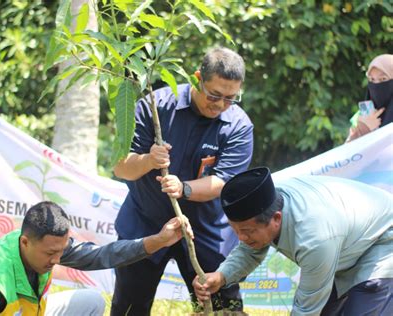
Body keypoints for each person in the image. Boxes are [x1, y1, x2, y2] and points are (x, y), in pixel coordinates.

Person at [111, 47, 254, 315]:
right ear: (197, 77)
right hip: (146, 223)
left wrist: (183, 188)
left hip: (207, 231)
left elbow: (223, 182)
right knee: (129, 308)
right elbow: (121, 167)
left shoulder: (239, 126)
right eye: (214, 95)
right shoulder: (155, 107)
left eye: (230, 98)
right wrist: (148, 161)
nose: (220, 104)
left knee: (223, 307)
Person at [193, 167, 393, 315]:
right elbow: (249, 249)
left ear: (276, 219)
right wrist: (221, 276)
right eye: (235, 230)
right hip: (344, 244)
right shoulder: (265, 200)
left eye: (246, 231)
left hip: (382, 241)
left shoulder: (313, 237)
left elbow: (306, 309)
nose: (241, 238)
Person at [0, 201, 193, 315]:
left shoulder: (43, 244)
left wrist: (159, 240)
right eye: (50, 253)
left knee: (92, 302)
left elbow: (102, 255)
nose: (56, 260)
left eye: (61, 251)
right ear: (25, 242)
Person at [346, 54, 393, 142]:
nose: (376, 85)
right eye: (371, 79)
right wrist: (362, 129)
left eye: (383, 79)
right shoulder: (362, 116)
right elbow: (347, 153)